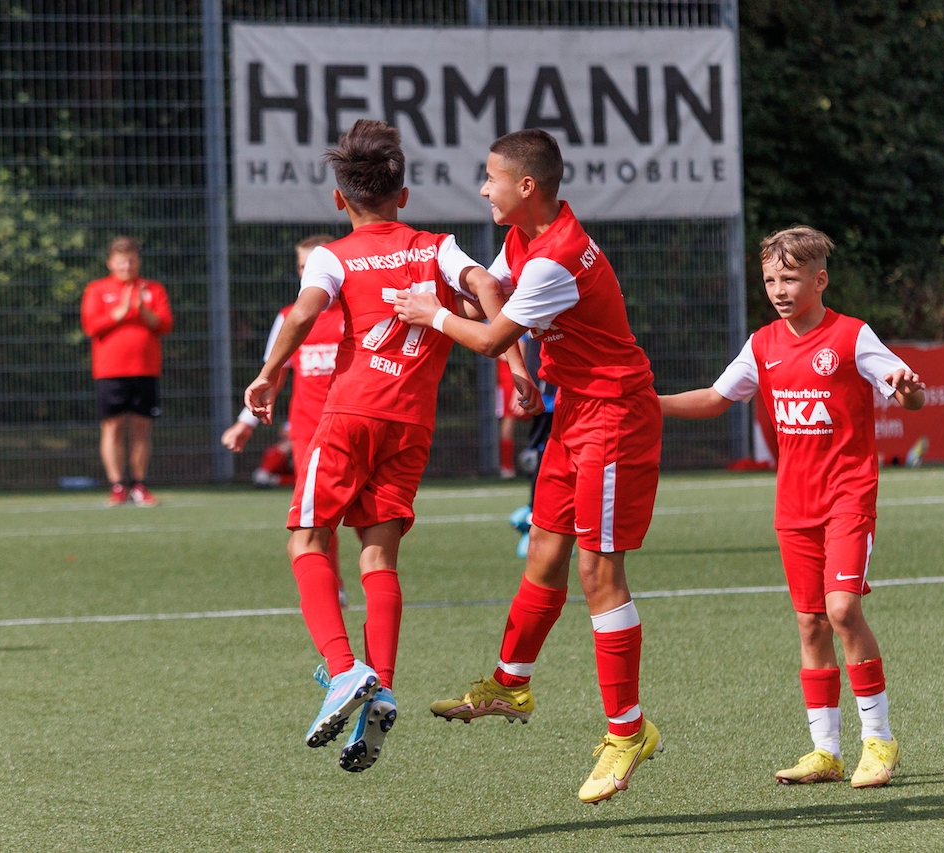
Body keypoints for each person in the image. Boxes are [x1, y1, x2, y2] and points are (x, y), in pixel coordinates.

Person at [245, 120, 539, 774]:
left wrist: (268, 373)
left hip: (349, 415)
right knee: (379, 554)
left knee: (306, 539)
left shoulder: (333, 256)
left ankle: (345, 669)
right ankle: (380, 683)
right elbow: (489, 289)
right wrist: (516, 364)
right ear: (403, 196)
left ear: (338, 199)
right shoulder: (436, 247)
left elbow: (304, 312)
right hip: (410, 426)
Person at [394, 128, 665, 804]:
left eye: (490, 178)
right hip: (575, 410)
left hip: (614, 418)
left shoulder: (554, 259)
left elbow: (489, 334)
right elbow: (489, 294)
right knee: (544, 548)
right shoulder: (525, 238)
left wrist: (432, 314)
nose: (482, 188)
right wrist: (461, 296)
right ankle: (511, 684)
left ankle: (629, 731)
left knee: (599, 574)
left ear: (526, 186)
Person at [658, 225, 925, 789]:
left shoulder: (852, 336)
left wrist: (908, 388)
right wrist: (647, 402)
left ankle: (879, 740)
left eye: (790, 279)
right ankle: (825, 751)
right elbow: (715, 398)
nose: (778, 290)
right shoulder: (762, 344)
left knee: (842, 610)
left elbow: (909, 394)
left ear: (819, 280)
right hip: (794, 506)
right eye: (770, 280)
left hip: (848, 497)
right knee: (810, 623)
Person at [222, 235, 349, 601]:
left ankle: (377, 584)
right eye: (301, 267)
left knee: (366, 514)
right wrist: (246, 422)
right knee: (315, 514)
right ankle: (332, 585)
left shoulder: (356, 313)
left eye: (314, 266)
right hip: (309, 429)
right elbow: (272, 374)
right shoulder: (289, 317)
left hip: (352, 425)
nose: (307, 274)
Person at [81, 236, 173, 507]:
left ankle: (139, 485)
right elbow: (91, 326)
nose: (127, 266)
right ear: (110, 262)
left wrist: (142, 310)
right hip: (110, 371)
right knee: (113, 427)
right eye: (121, 261)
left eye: (131, 260)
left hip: (145, 369)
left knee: (142, 428)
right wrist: (119, 312)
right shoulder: (97, 289)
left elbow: (165, 325)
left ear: (138, 261)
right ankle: (117, 486)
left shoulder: (153, 289)